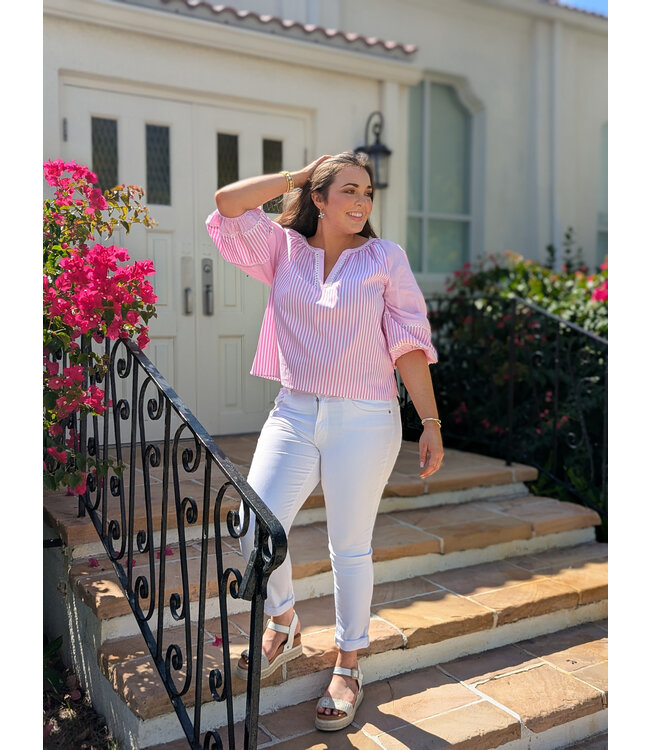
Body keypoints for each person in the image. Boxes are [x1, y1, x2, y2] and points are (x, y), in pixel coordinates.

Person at [205, 152, 444, 731]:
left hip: (365, 417)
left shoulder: (385, 258)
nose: (362, 202)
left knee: (349, 546)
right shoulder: (282, 249)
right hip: (294, 410)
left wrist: (431, 422)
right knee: (254, 523)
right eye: (349, 191)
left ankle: (348, 664)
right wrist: (295, 175)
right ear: (318, 197)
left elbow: (408, 344)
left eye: (368, 192)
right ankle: (283, 620)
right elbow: (227, 204)